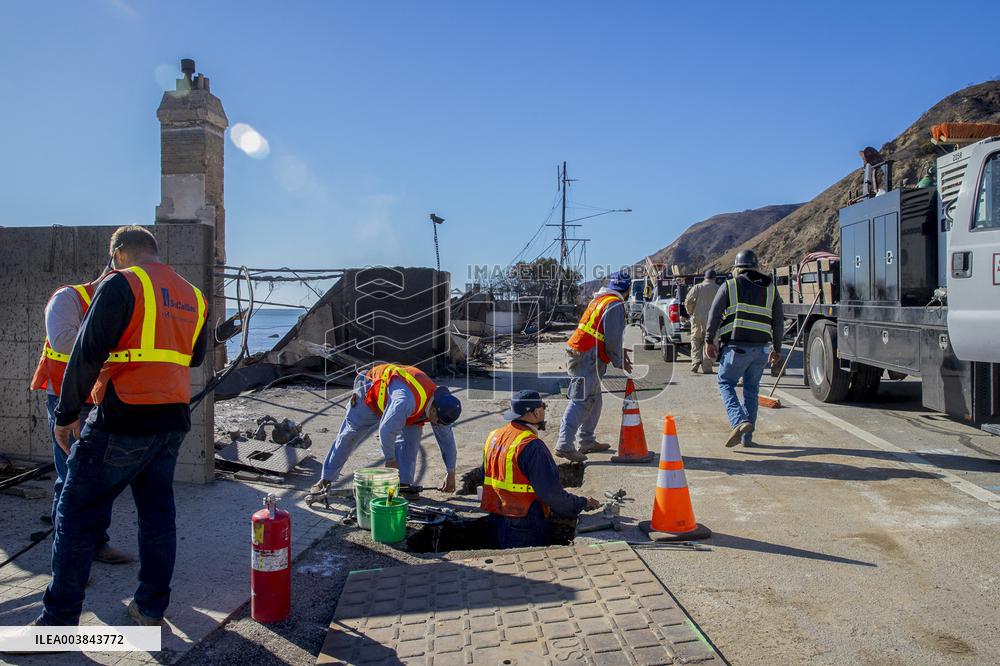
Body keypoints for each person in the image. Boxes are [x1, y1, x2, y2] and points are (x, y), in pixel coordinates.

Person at [41, 226, 208, 627]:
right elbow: (196, 357)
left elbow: (86, 352)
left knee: (76, 516)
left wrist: (65, 416)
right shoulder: (193, 295)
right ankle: (150, 608)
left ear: (119, 254)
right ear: (154, 251)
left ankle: (57, 622)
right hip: (172, 418)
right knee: (157, 516)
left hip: (122, 414)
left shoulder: (122, 283)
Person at [30, 274, 133, 565]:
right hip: (68, 399)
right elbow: (63, 342)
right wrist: (117, 343)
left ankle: (97, 543)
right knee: (71, 477)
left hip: (101, 399)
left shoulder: (123, 302)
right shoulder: (69, 298)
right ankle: (68, 559)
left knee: (101, 477)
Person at [311, 362, 462, 495]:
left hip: (401, 404)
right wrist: (390, 459)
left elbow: (446, 441)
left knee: (411, 440)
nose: (437, 425)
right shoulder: (405, 402)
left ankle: (403, 486)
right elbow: (386, 431)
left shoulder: (440, 406)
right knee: (348, 436)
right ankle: (325, 479)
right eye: (437, 421)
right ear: (434, 410)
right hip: (369, 397)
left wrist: (451, 472)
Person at [481, 390, 601, 548]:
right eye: (543, 407)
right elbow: (551, 494)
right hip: (523, 522)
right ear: (536, 412)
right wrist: (581, 503)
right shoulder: (532, 446)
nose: (544, 410)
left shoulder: (494, 436)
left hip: (495, 516)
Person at [705, 249, 783, 448]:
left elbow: (714, 315)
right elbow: (778, 322)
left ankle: (739, 421)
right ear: (756, 267)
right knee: (751, 390)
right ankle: (747, 438)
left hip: (736, 348)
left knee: (725, 382)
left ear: (737, 268)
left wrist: (708, 340)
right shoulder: (771, 289)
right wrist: (777, 349)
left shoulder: (730, 285)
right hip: (761, 350)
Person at [556, 270, 632, 463]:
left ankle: (587, 441)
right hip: (587, 356)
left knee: (595, 399)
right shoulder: (614, 304)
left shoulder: (600, 299)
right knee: (581, 400)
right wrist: (619, 361)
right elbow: (613, 338)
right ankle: (564, 445)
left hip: (584, 352)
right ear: (628, 289)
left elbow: (604, 334)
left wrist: (618, 355)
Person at [684, 269, 721, 374]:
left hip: (698, 319)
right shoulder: (718, 289)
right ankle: (707, 367)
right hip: (713, 320)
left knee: (696, 340)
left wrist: (691, 312)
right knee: (710, 342)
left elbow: (688, 301)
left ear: (705, 277)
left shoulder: (697, 287)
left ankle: (695, 362)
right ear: (714, 278)